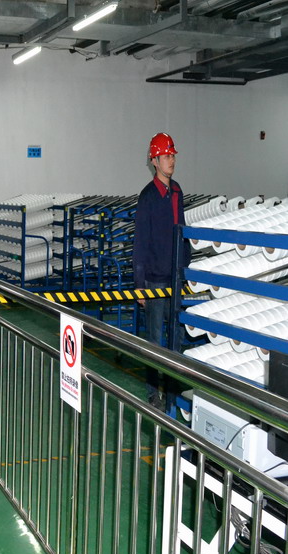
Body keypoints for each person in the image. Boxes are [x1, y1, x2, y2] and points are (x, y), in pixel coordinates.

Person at [133, 132, 189, 413]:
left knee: (176, 338)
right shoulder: (147, 197)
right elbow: (140, 243)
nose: (171, 160)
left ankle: (173, 391)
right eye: (166, 156)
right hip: (154, 280)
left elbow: (183, 234)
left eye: (173, 155)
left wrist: (186, 271)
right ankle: (153, 393)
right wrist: (140, 285)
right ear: (154, 161)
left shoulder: (177, 192)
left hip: (175, 279)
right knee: (155, 340)